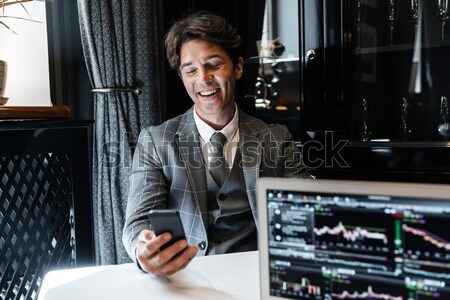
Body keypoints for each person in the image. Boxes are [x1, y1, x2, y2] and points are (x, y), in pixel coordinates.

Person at [122, 10, 312, 276]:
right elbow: (138, 221)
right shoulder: (155, 140)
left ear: (238, 67)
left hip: (256, 275)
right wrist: (144, 253)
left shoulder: (277, 138)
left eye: (213, 64)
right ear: (183, 77)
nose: (203, 78)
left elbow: (306, 207)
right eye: (190, 70)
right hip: (186, 277)